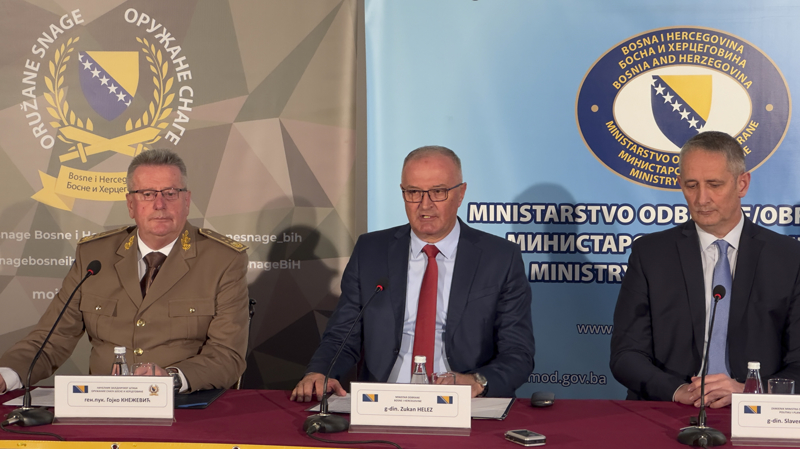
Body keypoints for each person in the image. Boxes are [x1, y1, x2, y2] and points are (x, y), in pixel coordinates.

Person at [290, 145, 535, 401]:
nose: (425, 205)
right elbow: (343, 334)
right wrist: (320, 372)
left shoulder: (499, 258)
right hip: (382, 400)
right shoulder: (371, 251)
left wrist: (477, 381)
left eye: (438, 192)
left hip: (462, 401)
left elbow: (518, 352)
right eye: (414, 192)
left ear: (461, 193)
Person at [0, 149, 250, 394]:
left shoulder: (223, 260)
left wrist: (171, 379)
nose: (159, 204)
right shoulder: (94, 256)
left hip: (184, 404)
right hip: (102, 404)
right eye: (147, 194)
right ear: (131, 204)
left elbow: (227, 355)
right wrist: (6, 375)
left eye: (170, 193)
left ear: (186, 201)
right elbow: (52, 338)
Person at [610, 131, 800, 408]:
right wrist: (678, 390)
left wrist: (748, 392)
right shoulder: (650, 254)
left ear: (742, 184)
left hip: (755, 411)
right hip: (670, 407)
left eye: (714, 184)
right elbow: (626, 354)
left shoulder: (789, 258)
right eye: (691, 185)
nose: (701, 198)